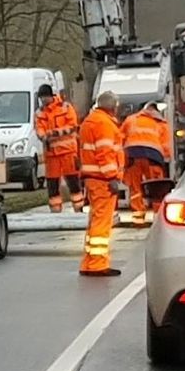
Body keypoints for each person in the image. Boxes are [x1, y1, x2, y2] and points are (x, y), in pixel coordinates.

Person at [78, 90, 125, 277]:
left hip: (93, 178)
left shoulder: (90, 121)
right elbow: (105, 154)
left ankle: (89, 262)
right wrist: (112, 177)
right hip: (102, 180)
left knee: (95, 221)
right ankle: (97, 264)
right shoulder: (104, 124)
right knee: (102, 222)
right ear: (113, 106)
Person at [120, 101, 172, 227]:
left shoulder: (131, 119)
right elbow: (166, 148)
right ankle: (158, 217)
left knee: (135, 187)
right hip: (153, 157)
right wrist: (165, 161)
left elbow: (120, 138)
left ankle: (138, 217)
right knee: (156, 188)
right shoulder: (161, 123)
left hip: (133, 156)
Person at [34, 84, 83, 213]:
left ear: (51, 96)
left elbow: (72, 126)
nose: (43, 100)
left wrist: (54, 133)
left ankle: (78, 209)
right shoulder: (39, 113)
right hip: (51, 155)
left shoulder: (65, 108)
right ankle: (55, 211)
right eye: (41, 98)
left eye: (45, 97)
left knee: (73, 182)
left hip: (68, 152)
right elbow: (39, 129)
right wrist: (43, 136)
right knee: (52, 185)